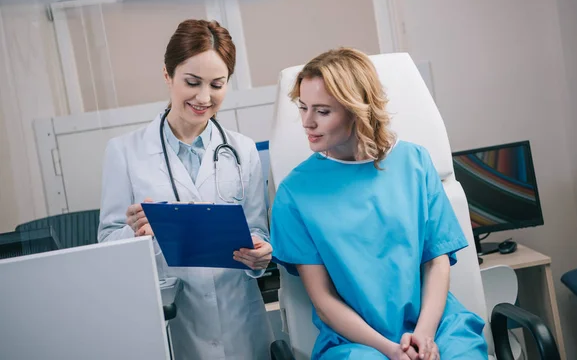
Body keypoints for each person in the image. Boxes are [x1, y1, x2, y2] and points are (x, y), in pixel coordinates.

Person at [269, 48, 488, 360]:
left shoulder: (415, 163)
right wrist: (391, 351)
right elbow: (323, 299)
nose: (307, 122)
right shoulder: (295, 193)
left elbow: (436, 261)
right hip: (356, 343)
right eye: (303, 107)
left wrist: (424, 336)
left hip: (435, 326)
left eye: (322, 111)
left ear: (357, 109)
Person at [98, 19, 274, 360]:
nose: (204, 97)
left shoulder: (243, 151)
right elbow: (106, 246)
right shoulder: (124, 152)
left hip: (240, 321)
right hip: (172, 323)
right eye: (192, 82)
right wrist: (138, 236)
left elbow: (256, 233)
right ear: (167, 75)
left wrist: (260, 255)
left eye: (217, 84)